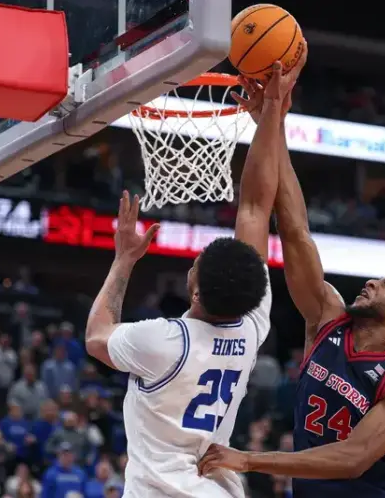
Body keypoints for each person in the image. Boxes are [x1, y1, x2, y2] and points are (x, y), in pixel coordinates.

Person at [198, 45, 385, 497]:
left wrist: (250, 459)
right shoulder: (328, 317)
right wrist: (270, 124)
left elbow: (352, 459)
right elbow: (294, 231)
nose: (371, 282)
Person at [84, 50, 308, 497]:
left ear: (197, 290)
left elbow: (96, 336)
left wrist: (123, 261)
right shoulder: (251, 327)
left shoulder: (163, 341)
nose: (193, 262)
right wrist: (269, 118)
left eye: (197, 262)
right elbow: (254, 207)